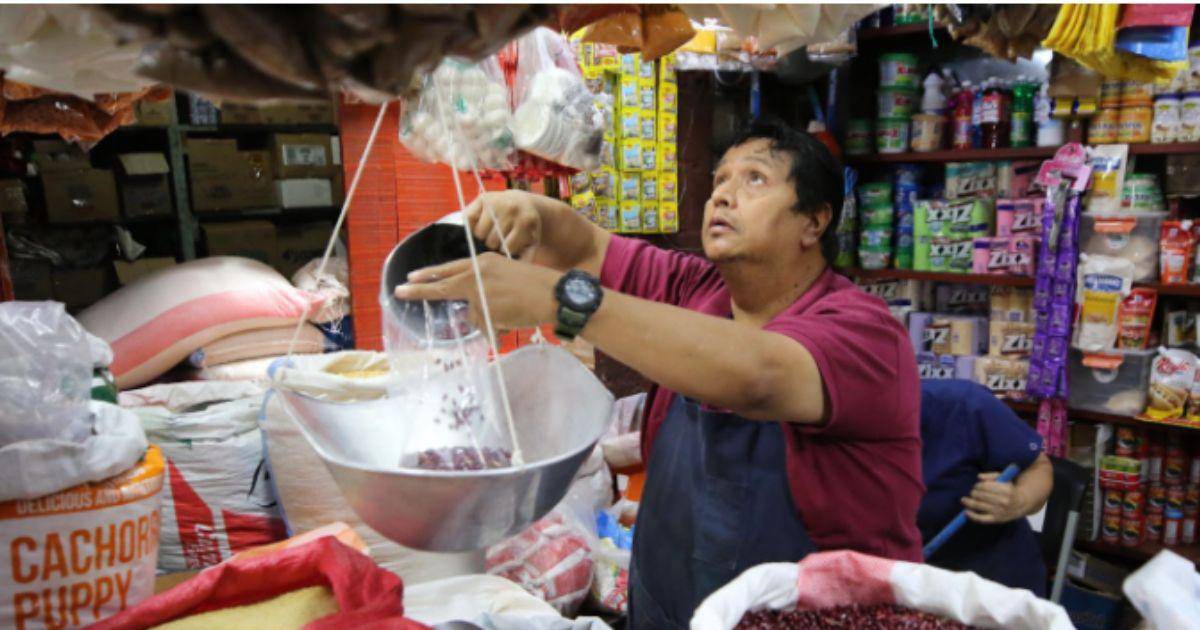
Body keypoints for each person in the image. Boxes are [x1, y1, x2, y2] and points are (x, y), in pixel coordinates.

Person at [396, 118, 924, 628]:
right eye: (720, 180)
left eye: (755, 179)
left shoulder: (865, 332)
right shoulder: (695, 289)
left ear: (814, 221)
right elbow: (586, 247)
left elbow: (758, 376)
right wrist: (532, 212)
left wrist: (561, 301)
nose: (722, 195)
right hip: (669, 606)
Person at [918, 379, 1054, 596]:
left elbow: (1038, 467)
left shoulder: (961, 403)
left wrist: (1019, 499)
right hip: (907, 576)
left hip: (990, 580)